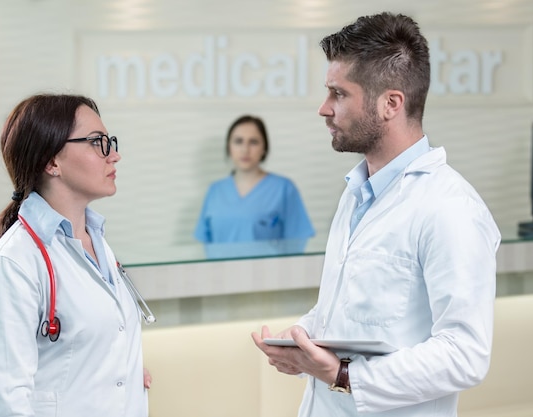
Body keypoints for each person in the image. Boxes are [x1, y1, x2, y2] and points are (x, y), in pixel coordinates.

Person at [252, 12, 501, 417]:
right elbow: (353, 309)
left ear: (391, 104)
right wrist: (302, 341)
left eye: (338, 94)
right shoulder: (357, 193)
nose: (323, 108)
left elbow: (465, 353)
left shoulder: (450, 208)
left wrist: (345, 376)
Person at [0, 93, 153, 417]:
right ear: (51, 162)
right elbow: (8, 403)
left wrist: (120, 370)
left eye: (110, 142)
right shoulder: (14, 262)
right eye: (98, 143)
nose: (114, 155)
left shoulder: (95, 239)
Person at [194, 115, 315, 243]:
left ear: (264, 148)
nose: (245, 150)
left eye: (253, 142)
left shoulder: (283, 189)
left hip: (270, 264)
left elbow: (297, 244)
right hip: (218, 264)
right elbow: (204, 243)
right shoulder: (215, 191)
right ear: (229, 147)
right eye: (238, 141)